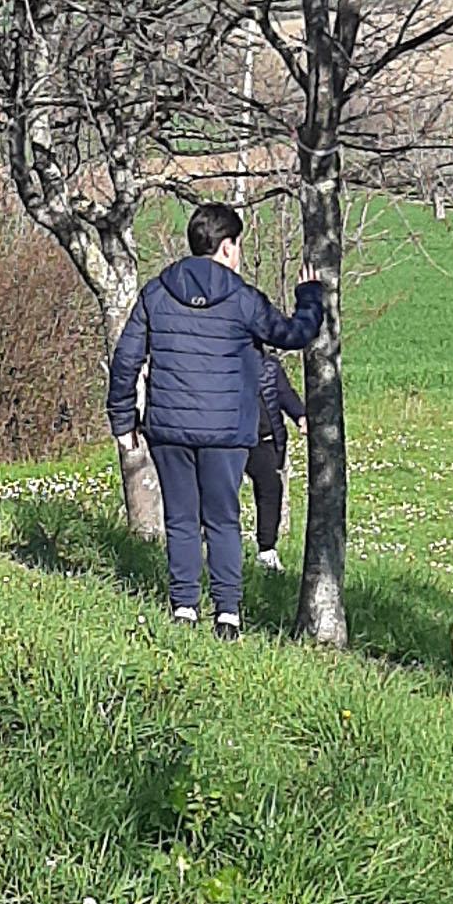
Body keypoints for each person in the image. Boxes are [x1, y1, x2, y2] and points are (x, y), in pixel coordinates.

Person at [106, 204, 326, 640]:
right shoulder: (243, 298)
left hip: (168, 426)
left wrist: (122, 418)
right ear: (227, 247)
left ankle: (184, 608)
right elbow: (293, 335)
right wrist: (310, 298)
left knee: (181, 519)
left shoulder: (156, 292)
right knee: (223, 519)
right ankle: (227, 614)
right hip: (226, 430)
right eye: (237, 245)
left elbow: (126, 359)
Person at [246, 344, 305, 572]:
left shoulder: (269, 365)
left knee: (271, 488)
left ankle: (267, 550)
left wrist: (300, 415)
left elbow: (284, 394)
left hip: (264, 439)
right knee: (221, 493)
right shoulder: (223, 361)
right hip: (230, 439)